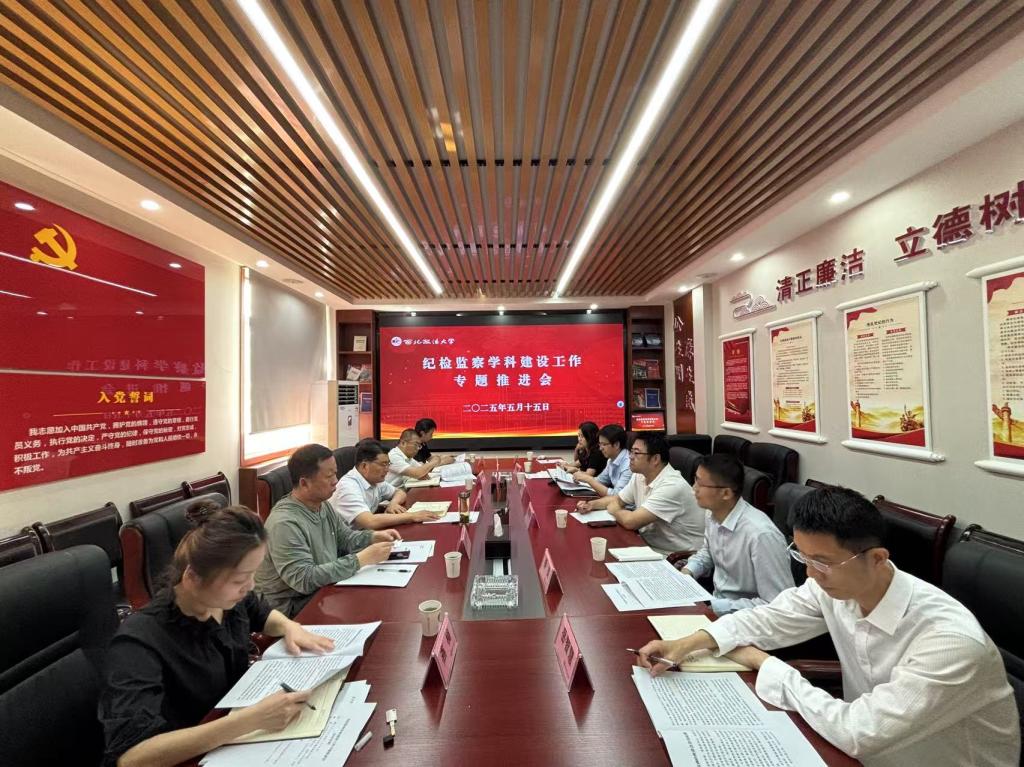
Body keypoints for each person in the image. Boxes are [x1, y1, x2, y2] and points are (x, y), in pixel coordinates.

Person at [637, 487, 1021, 767]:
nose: (810, 574)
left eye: (822, 562)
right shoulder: (838, 587)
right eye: (803, 558)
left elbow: (860, 732)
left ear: (877, 558)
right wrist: (689, 642)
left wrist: (764, 664)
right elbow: (770, 617)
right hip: (861, 752)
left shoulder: (950, 642)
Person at [99, 503, 335, 767]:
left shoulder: (226, 600)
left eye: (253, 575)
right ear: (192, 578)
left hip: (230, 736)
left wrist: (290, 627)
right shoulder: (139, 643)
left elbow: (262, 613)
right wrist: (249, 721)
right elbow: (132, 757)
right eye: (239, 580)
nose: (250, 587)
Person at [255, 443, 400, 617]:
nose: (336, 481)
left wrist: (372, 537)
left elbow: (345, 538)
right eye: (329, 476)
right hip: (290, 610)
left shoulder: (323, 504)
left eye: (335, 473)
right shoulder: (284, 523)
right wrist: (360, 560)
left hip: (322, 591)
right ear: (304, 483)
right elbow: (304, 580)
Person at [677, 454, 793, 615]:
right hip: (716, 604)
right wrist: (687, 572)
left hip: (748, 618)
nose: (693, 488)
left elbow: (776, 603)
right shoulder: (713, 512)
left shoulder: (761, 535)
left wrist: (714, 608)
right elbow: (708, 552)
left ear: (726, 493)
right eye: (695, 479)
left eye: (700, 484)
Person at [576, 432, 703, 554]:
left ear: (655, 459)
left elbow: (630, 521)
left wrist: (614, 509)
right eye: (631, 451)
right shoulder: (640, 475)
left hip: (674, 556)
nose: (630, 457)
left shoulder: (672, 486)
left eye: (636, 453)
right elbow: (618, 499)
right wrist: (591, 505)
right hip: (647, 544)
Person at [332, 439, 445, 529]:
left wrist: (393, 504)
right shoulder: (348, 487)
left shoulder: (375, 480)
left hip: (365, 534)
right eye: (383, 464)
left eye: (388, 464)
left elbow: (400, 492)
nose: (387, 469)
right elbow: (370, 521)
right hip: (347, 545)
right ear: (364, 466)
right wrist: (412, 516)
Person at [571, 423, 632, 496]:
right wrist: (583, 479)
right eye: (600, 444)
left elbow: (617, 495)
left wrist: (588, 479)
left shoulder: (629, 464)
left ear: (616, 445)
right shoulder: (611, 460)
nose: (600, 448)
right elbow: (601, 480)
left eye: (604, 444)